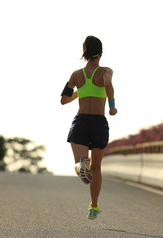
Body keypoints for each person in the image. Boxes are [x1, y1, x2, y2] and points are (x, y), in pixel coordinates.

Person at [60, 35, 117, 220]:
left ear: (84, 53)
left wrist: (80, 92)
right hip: (99, 122)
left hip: (81, 122)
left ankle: (80, 167)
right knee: (97, 167)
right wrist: (112, 105)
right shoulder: (105, 71)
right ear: (101, 54)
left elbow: (63, 100)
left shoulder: (76, 75)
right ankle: (93, 206)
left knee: (79, 163)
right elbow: (108, 84)